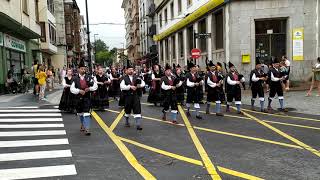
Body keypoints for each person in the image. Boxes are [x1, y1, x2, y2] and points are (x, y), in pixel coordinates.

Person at [70, 62, 98, 135]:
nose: (83, 70)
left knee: (86, 113)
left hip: (87, 98)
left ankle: (87, 128)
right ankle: (82, 124)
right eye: (82, 69)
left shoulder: (89, 77)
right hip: (78, 98)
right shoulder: (75, 78)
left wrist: (89, 89)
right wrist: (79, 91)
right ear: (78, 69)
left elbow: (95, 86)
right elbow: (72, 89)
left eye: (84, 69)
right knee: (81, 113)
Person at [120, 64, 145, 130]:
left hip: (135, 95)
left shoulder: (137, 77)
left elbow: (143, 83)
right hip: (127, 96)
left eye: (132, 69)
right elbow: (122, 86)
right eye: (129, 69)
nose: (131, 71)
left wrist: (138, 86)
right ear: (126, 71)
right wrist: (130, 87)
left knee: (137, 108)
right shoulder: (123, 78)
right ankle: (127, 121)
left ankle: (138, 124)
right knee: (127, 109)